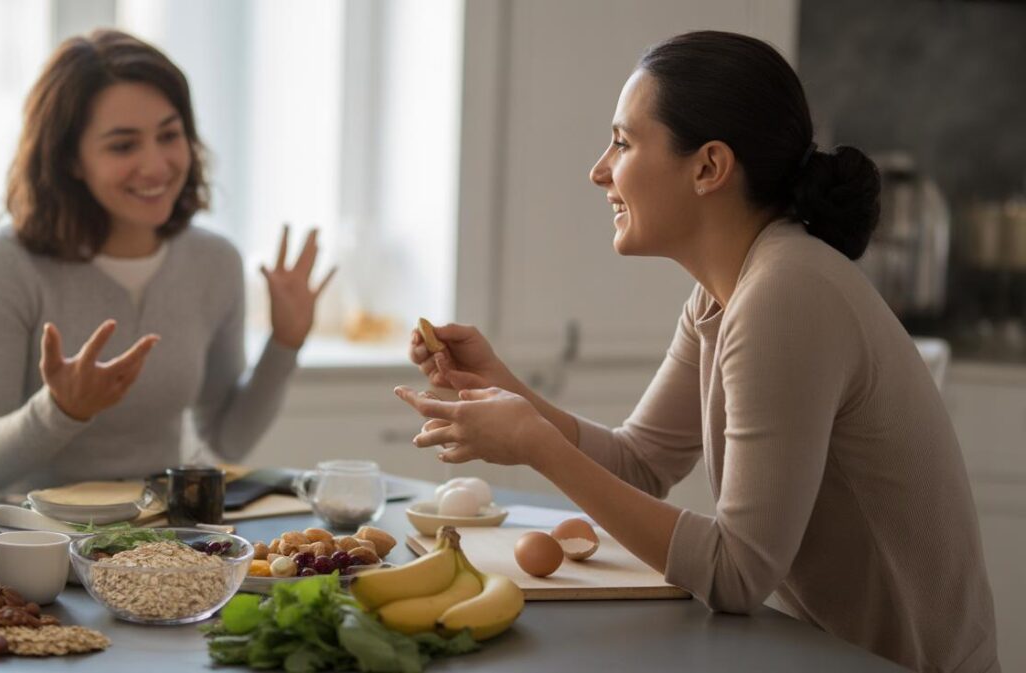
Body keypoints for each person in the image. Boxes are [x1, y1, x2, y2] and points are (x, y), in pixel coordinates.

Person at [395, 30, 998, 673]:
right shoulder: (729, 290)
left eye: (623, 143)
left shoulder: (785, 294)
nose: (599, 169)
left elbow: (737, 575)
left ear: (709, 167)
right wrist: (512, 396)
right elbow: (640, 462)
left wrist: (535, 444)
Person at [0, 30, 334, 494]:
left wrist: (286, 343)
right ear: (70, 159)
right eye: (123, 145)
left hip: (163, 547)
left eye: (169, 135)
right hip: (35, 552)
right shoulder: (5, 264)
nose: (156, 166)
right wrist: (61, 409)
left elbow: (228, 439)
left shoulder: (214, 262)